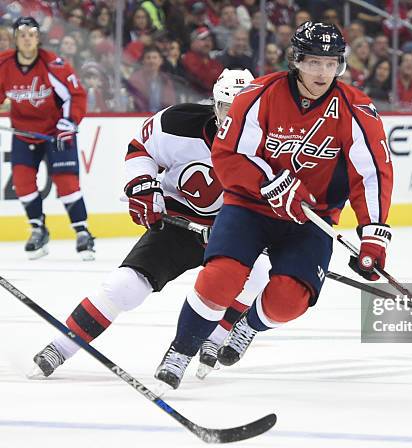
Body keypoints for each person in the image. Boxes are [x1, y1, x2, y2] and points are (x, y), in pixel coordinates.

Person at [165, 21, 393, 370]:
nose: (323, 72)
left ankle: (247, 326)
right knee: (219, 278)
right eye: (315, 62)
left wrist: (374, 236)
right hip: (250, 208)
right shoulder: (259, 95)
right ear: (297, 60)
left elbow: (373, 174)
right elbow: (228, 154)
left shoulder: (356, 109)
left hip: (311, 217)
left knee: (289, 300)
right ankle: (180, 351)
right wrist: (270, 183)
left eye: (331, 64)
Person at [30, 69, 270, 388]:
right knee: (123, 287)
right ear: (215, 105)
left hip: (233, 227)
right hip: (178, 225)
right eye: (228, 108)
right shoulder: (176, 123)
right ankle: (61, 347)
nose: (234, 118)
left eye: (245, 109)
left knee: (261, 272)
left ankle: (217, 335)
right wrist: (142, 186)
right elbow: (140, 151)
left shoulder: (274, 141)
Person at [0, 17, 94, 260]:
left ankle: (82, 232)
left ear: (38, 38)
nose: (27, 38)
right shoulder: (4, 64)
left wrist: (68, 122)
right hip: (23, 133)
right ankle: (37, 228)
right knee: (22, 183)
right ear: (15, 38)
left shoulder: (53, 64)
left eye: (31, 33)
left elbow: (76, 95)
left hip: (55, 132)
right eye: (22, 34)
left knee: (66, 183)